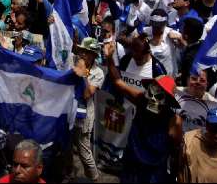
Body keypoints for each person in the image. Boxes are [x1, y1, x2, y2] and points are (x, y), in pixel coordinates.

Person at [103, 41, 182, 183]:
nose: (153, 98)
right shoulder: (141, 99)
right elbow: (118, 82)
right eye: (151, 92)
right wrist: (109, 58)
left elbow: (176, 150)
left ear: (167, 101)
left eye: (159, 96)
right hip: (132, 164)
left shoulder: (174, 121)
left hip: (154, 172)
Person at [70, 37, 104, 181]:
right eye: (82, 51)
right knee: (66, 145)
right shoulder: (73, 60)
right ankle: (68, 174)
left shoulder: (98, 73)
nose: (83, 54)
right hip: (68, 110)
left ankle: (94, 178)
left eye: (87, 52)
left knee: (83, 150)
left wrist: (83, 73)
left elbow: (87, 94)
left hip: (83, 115)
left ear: (94, 55)